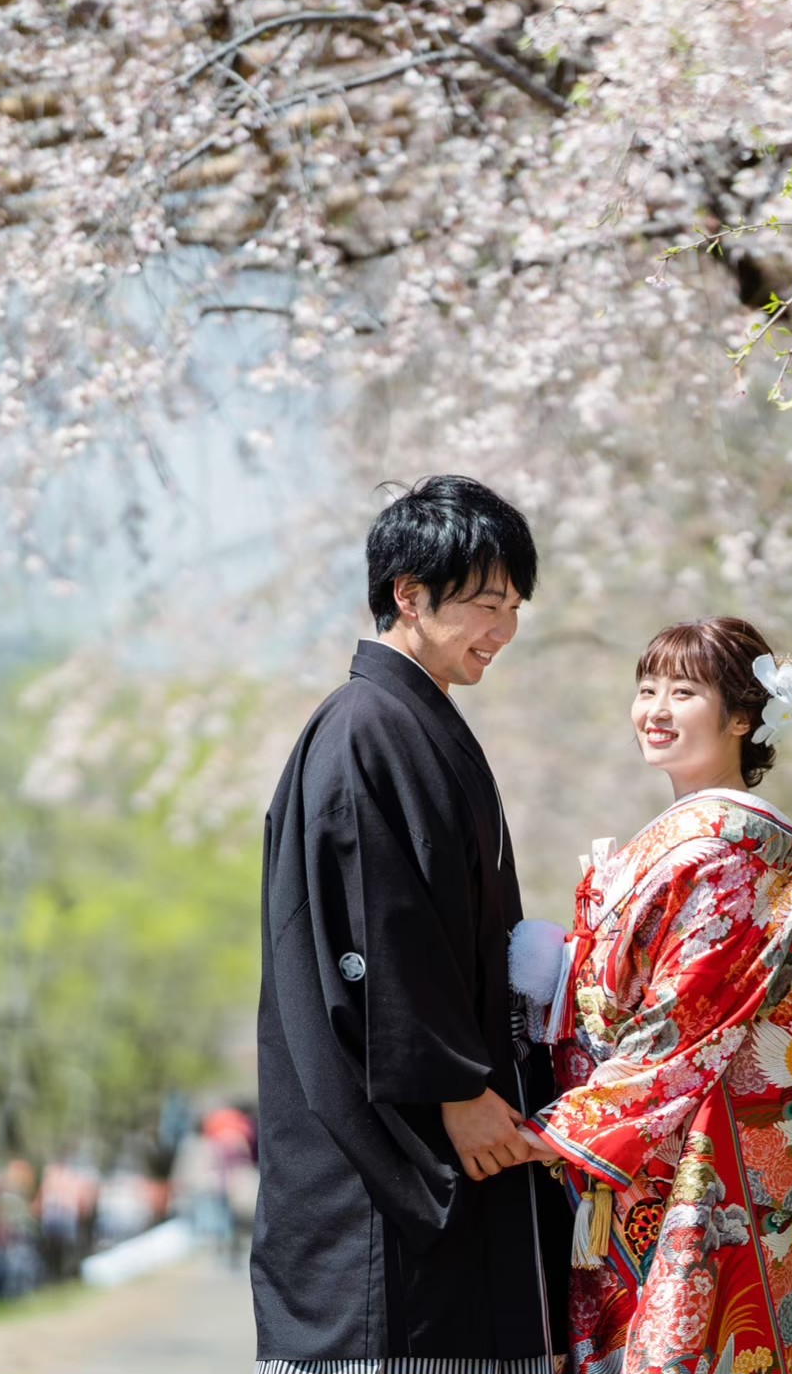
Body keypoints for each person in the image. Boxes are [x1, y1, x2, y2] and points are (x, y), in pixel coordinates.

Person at [251, 475, 569, 1374]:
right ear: (408, 594)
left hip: (455, 1118)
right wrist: (456, 1091)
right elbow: (377, 933)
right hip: (399, 1141)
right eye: (483, 603)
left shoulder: (407, 720)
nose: (502, 630)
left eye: (513, 607)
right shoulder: (364, 728)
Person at [524, 617, 792, 1374]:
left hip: (676, 1158)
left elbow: (682, 1021)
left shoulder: (724, 849)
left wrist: (560, 1128)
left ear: (744, 715)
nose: (655, 709)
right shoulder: (688, 837)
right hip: (651, 1153)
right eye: (646, 689)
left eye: (684, 692)